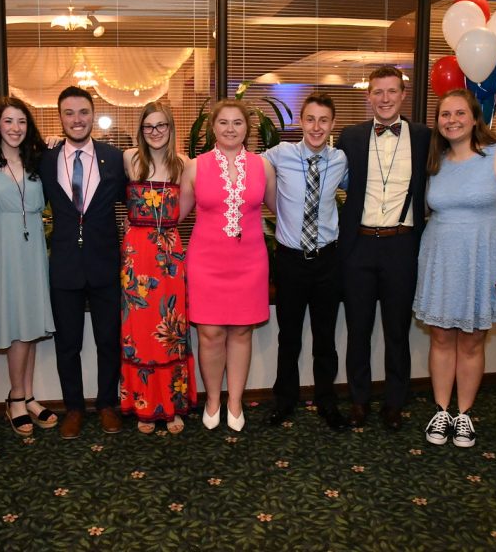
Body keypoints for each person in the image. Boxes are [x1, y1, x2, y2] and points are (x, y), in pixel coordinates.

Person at [414, 89, 496, 447]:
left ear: (475, 117)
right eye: (444, 114)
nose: (451, 120)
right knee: (440, 336)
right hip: (440, 260)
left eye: (459, 113)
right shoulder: (435, 161)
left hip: (483, 261)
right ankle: (441, 409)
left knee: (471, 340)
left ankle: (464, 414)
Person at [337, 66, 432, 430]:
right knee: (358, 330)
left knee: (397, 332)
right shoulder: (351, 136)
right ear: (368, 96)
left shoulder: (424, 137)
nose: (386, 98)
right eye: (378, 92)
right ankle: (359, 401)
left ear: (403, 95)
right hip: (359, 245)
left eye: (392, 91)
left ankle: (395, 403)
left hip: (401, 245)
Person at [180, 99, 276, 432]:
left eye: (237, 122)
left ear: (247, 128)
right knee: (209, 334)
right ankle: (212, 400)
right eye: (223, 122)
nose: (230, 128)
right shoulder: (194, 167)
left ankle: (235, 401)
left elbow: (280, 209)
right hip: (206, 261)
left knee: (241, 331)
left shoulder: (263, 166)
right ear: (213, 128)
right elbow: (175, 215)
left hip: (250, 260)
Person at [39, 86, 128, 439]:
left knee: (109, 339)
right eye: (69, 113)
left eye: (83, 112)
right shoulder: (44, 159)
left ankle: (107, 404)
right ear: (60, 118)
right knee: (68, 344)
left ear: (93, 115)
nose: (77, 119)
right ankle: (73, 408)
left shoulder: (115, 158)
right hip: (63, 265)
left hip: (105, 262)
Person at [263, 93, 350, 431]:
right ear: (301, 121)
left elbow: (360, 191)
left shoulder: (341, 160)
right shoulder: (279, 154)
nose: (316, 127)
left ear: (331, 125)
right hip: (290, 260)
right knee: (290, 336)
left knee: (325, 338)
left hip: (328, 260)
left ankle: (327, 402)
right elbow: (245, 169)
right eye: (310, 119)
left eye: (323, 120)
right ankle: (284, 401)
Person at [0, 97, 57, 437]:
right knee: (15, 323)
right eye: (8, 121)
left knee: (30, 323)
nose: (15, 128)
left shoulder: (39, 160)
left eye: (21, 121)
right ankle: (17, 398)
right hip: (2, 250)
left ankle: (25, 395)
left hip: (33, 249)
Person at [120, 101, 196, 435]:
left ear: (170, 128)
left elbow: (185, 212)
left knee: (172, 328)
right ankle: (144, 405)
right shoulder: (128, 159)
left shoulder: (185, 165)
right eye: (149, 126)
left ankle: (171, 406)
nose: (155, 132)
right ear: (141, 130)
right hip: (137, 255)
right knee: (139, 330)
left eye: (161, 125)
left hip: (169, 254)